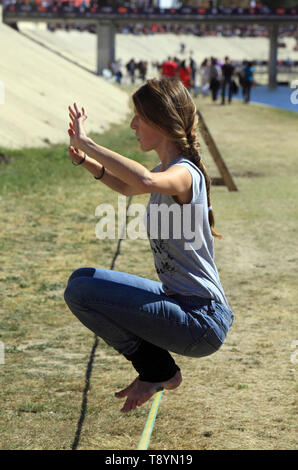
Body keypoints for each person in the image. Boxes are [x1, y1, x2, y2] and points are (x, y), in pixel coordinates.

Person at [64, 78, 234, 413]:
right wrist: (85, 161)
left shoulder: (185, 174)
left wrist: (89, 142)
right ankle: (158, 368)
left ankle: (158, 370)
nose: (132, 125)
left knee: (81, 294)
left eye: (138, 117)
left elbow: (141, 181)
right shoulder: (166, 169)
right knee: (81, 278)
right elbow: (129, 188)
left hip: (201, 320)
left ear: (161, 120)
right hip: (183, 305)